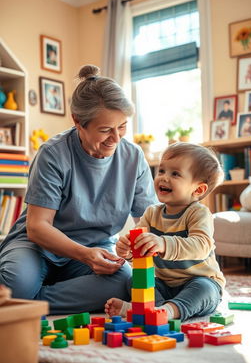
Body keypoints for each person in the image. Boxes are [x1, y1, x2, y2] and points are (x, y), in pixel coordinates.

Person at [0, 64, 157, 314]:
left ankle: (27, 305)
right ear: (77, 122)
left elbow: (149, 220)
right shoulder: (53, 154)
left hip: (97, 247)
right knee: (16, 284)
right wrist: (84, 255)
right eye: (105, 129)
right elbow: (37, 227)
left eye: (122, 126)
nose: (116, 139)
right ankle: (27, 296)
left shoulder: (134, 157)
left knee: (126, 282)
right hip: (38, 246)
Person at [105, 142, 226, 322]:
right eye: (161, 171)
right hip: (165, 284)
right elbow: (140, 252)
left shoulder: (198, 213)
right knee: (133, 280)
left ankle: (169, 311)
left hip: (200, 280)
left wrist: (163, 243)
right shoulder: (152, 213)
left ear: (198, 189)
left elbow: (201, 246)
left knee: (205, 290)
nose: (163, 178)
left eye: (175, 174)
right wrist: (127, 250)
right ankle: (149, 309)